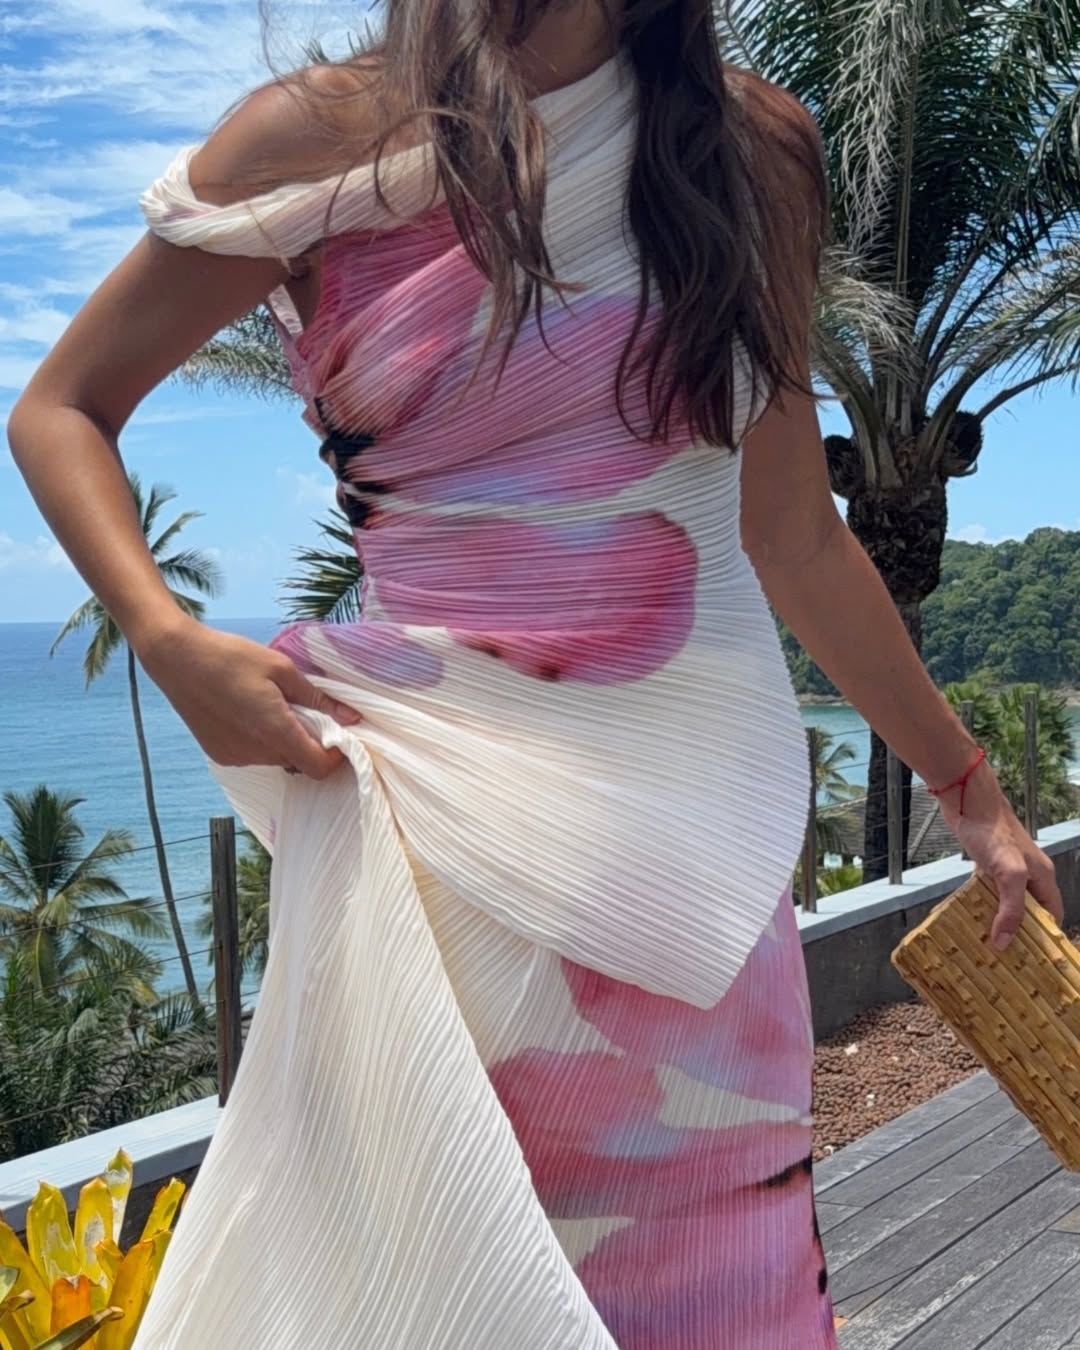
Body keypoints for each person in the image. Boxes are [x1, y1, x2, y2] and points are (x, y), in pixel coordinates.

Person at [8, 0, 1063, 1346]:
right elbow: (61, 407)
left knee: (729, 1293)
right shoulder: (322, 138)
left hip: (701, 868)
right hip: (432, 863)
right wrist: (164, 638)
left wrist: (970, 791)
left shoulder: (752, 151)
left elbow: (795, 532)